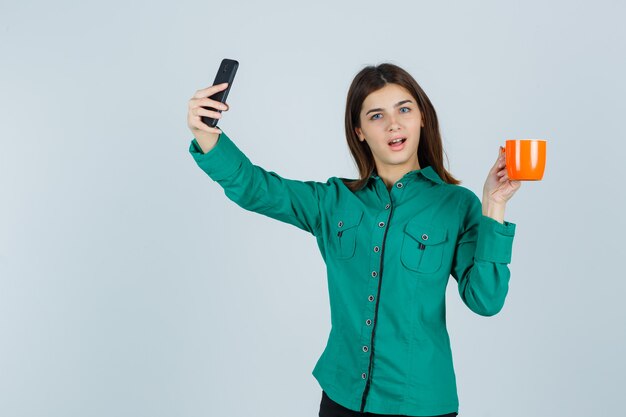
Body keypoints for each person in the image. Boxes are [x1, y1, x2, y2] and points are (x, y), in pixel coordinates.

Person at [186, 62, 521, 417]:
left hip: (421, 404)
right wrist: (206, 133)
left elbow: (486, 300)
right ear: (359, 131)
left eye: (404, 109)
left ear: (422, 117)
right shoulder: (332, 201)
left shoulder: (457, 205)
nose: (393, 123)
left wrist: (494, 204)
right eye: (376, 115)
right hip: (342, 397)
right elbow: (257, 188)